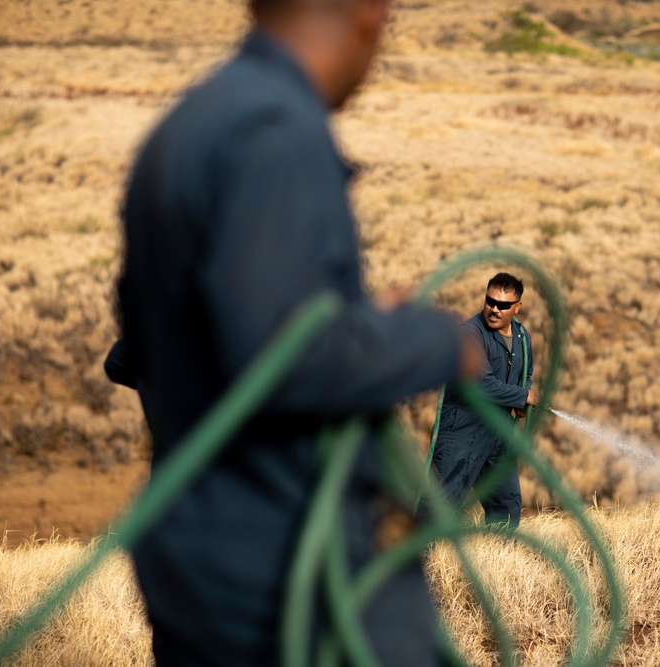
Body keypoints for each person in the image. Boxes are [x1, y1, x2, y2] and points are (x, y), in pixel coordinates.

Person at [108, 0, 476, 664]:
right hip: (283, 568)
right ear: (370, 12)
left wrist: (357, 324)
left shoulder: (189, 123)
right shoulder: (278, 131)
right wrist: (437, 342)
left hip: (197, 564)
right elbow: (282, 357)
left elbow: (151, 339)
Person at [428, 273, 539, 530]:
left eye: (503, 305)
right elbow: (482, 384)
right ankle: (418, 561)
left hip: (499, 433)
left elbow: (527, 375)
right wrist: (523, 396)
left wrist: (522, 399)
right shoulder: (469, 334)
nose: (494, 309)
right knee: (440, 505)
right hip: (462, 431)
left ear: (517, 307)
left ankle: (499, 562)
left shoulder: (522, 336)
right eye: (490, 301)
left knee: (507, 507)